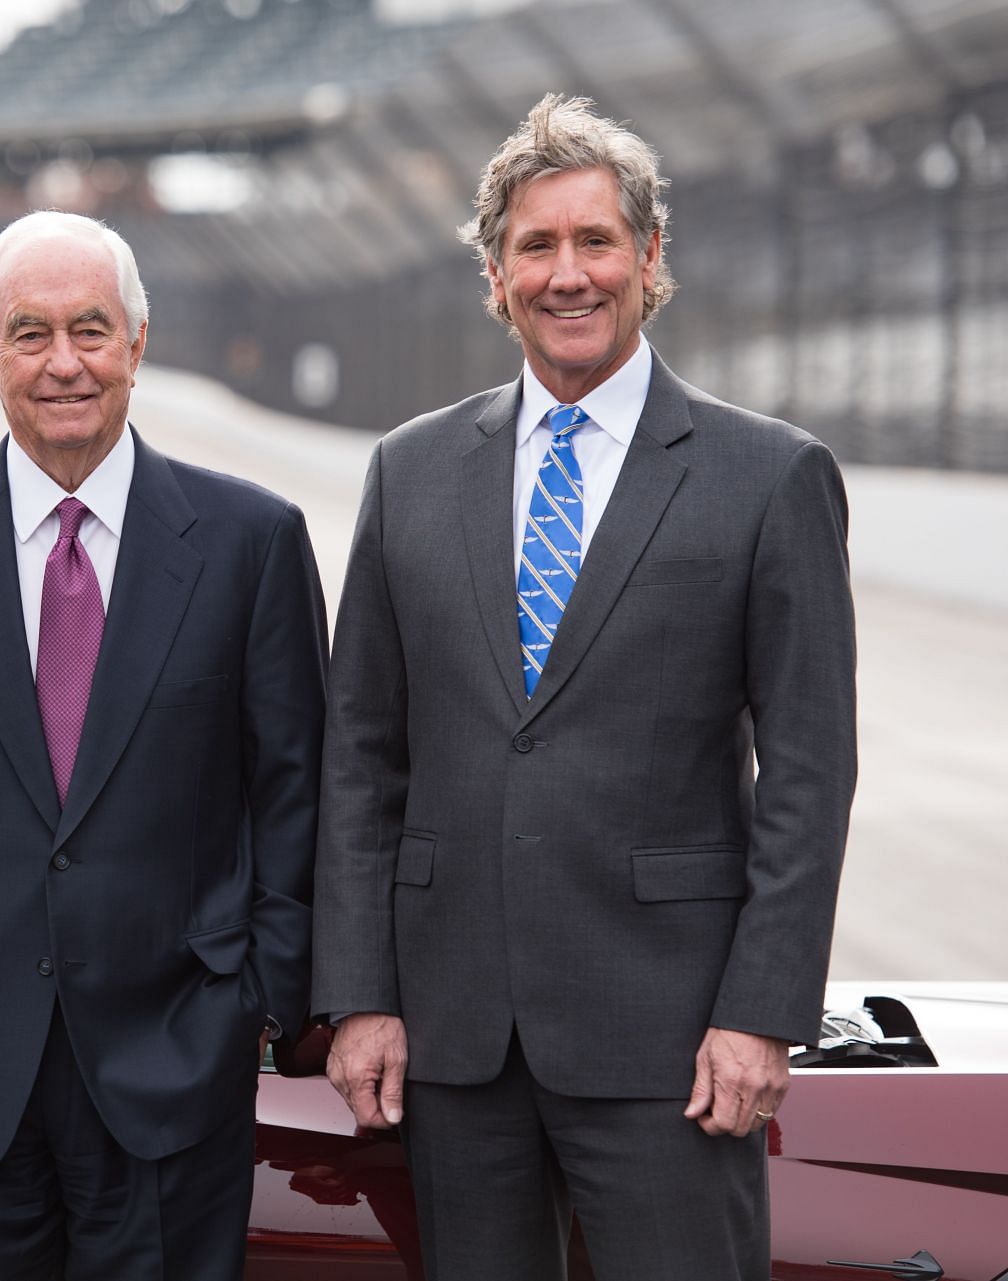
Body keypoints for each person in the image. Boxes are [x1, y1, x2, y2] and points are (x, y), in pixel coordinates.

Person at [312, 94, 856, 1279]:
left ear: (650, 257)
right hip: (456, 1047)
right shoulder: (409, 473)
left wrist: (763, 1013)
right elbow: (361, 754)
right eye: (536, 247)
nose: (569, 274)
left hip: (676, 1043)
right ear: (496, 273)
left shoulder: (770, 477)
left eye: (595, 240)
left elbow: (810, 774)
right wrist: (358, 996)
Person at [0, 210, 327, 1281]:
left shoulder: (253, 543)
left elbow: (298, 797)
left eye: (90, 330)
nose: (63, 364)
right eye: (30, 334)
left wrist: (258, 1005)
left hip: (178, 1066)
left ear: (138, 344)